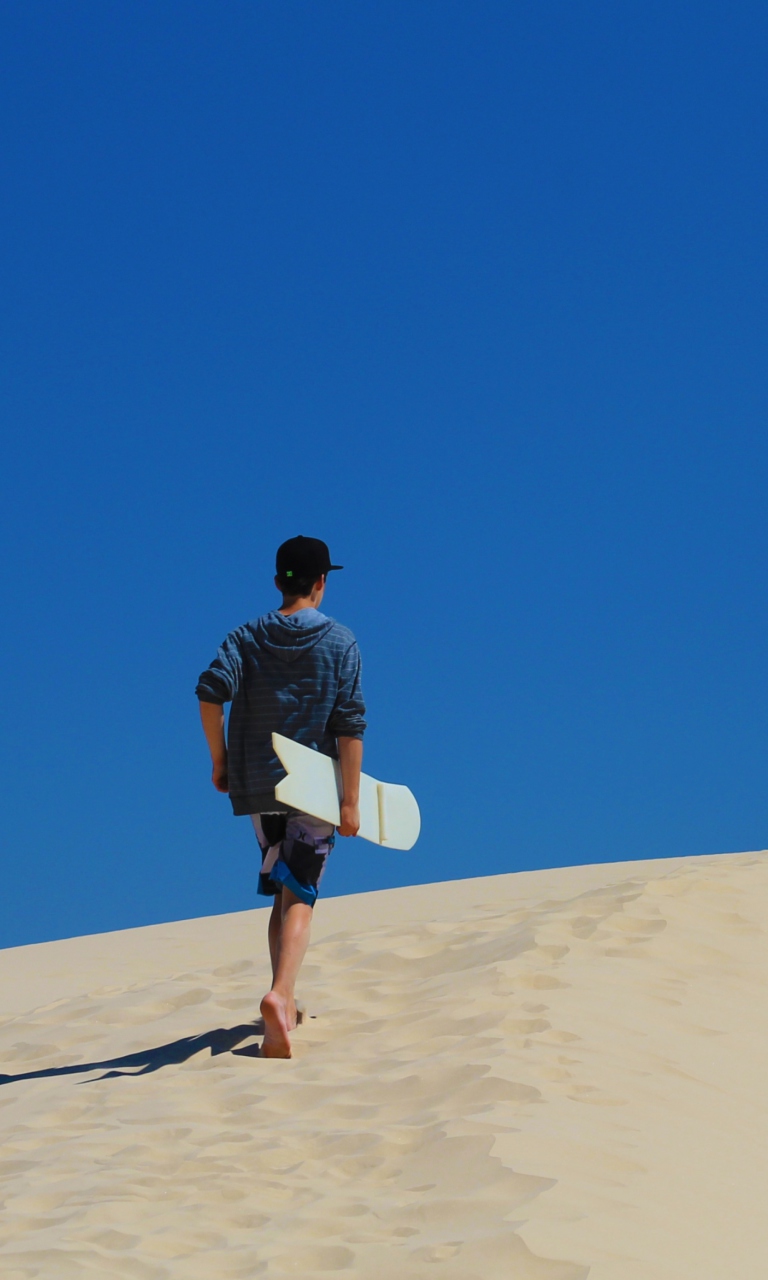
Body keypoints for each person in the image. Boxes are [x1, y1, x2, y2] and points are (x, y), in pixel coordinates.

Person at [196, 536, 366, 1058]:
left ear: (277, 582)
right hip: (313, 789)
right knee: (302, 898)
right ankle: (280, 994)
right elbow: (349, 725)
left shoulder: (245, 636)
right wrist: (350, 801)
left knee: (281, 887)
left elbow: (209, 691)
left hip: (260, 785)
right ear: (321, 582)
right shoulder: (341, 642)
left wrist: (220, 760)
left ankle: (283, 1006)